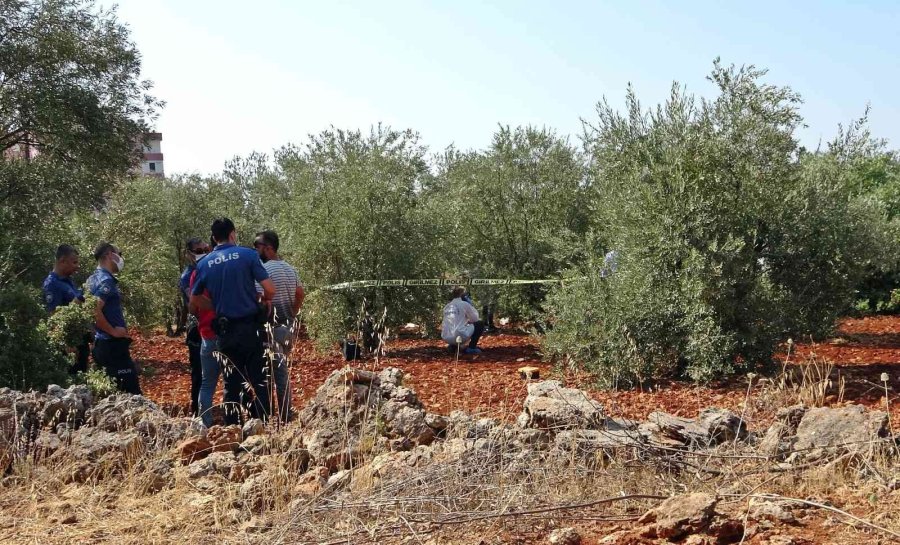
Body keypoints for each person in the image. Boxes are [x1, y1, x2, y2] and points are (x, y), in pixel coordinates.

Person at [191, 218, 275, 425]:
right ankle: (264, 427)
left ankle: (232, 430)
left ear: (214, 238)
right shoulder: (248, 255)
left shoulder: (203, 264)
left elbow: (195, 300)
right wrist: (263, 300)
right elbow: (270, 289)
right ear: (232, 234)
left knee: (231, 385)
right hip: (251, 328)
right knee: (260, 381)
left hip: (225, 331)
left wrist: (217, 305)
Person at [254, 230, 304, 423]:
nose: (255, 250)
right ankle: (281, 415)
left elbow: (259, 296)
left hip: (271, 328)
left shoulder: (264, 271)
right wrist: (293, 313)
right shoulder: (290, 269)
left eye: (257, 245)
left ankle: (284, 416)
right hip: (288, 327)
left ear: (268, 248)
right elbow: (300, 293)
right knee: (280, 371)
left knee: (276, 375)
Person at [86, 242, 142, 394]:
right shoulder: (106, 281)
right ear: (110, 255)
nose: (121, 258)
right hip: (112, 346)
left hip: (103, 344)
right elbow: (93, 309)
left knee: (114, 392)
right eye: (119, 254)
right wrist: (113, 331)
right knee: (132, 394)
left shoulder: (92, 279)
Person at [42, 244, 89, 374]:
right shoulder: (52, 284)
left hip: (80, 342)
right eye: (74, 262)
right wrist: (67, 345)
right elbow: (53, 316)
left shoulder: (68, 281)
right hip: (69, 346)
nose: (77, 266)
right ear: (62, 261)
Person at [190, 237, 219, 427]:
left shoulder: (197, 272)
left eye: (205, 249)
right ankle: (236, 421)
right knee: (233, 380)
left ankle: (205, 424)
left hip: (207, 333)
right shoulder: (225, 270)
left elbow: (192, 306)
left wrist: (205, 311)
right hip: (227, 332)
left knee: (207, 383)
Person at [181, 237, 210, 417]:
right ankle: (198, 412)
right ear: (190, 254)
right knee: (199, 372)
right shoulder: (187, 276)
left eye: (206, 250)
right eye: (199, 251)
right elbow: (194, 301)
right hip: (196, 327)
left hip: (212, 325)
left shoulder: (208, 268)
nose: (203, 254)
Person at [441, 286, 484, 354]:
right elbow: (475, 319)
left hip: (446, 337)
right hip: (459, 336)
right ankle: (471, 348)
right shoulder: (464, 304)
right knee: (480, 324)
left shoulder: (447, 306)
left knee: (457, 327)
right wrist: (471, 306)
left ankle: (453, 346)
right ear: (462, 295)